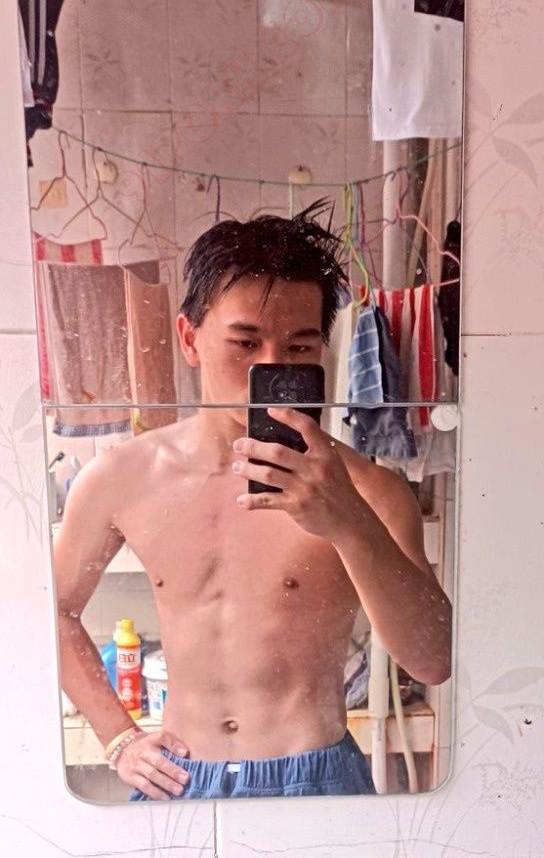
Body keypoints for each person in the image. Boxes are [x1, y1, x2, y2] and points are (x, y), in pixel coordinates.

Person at [54, 202, 452, 801]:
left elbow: (433, 660)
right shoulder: (121, 477)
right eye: (245, 342)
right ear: (189, 339)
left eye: (300, 348)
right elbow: (51, 612)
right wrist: (119, 738)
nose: (271, 368)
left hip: (316, 778)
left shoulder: (369, 488)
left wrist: (349, 523)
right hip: (181, 777)